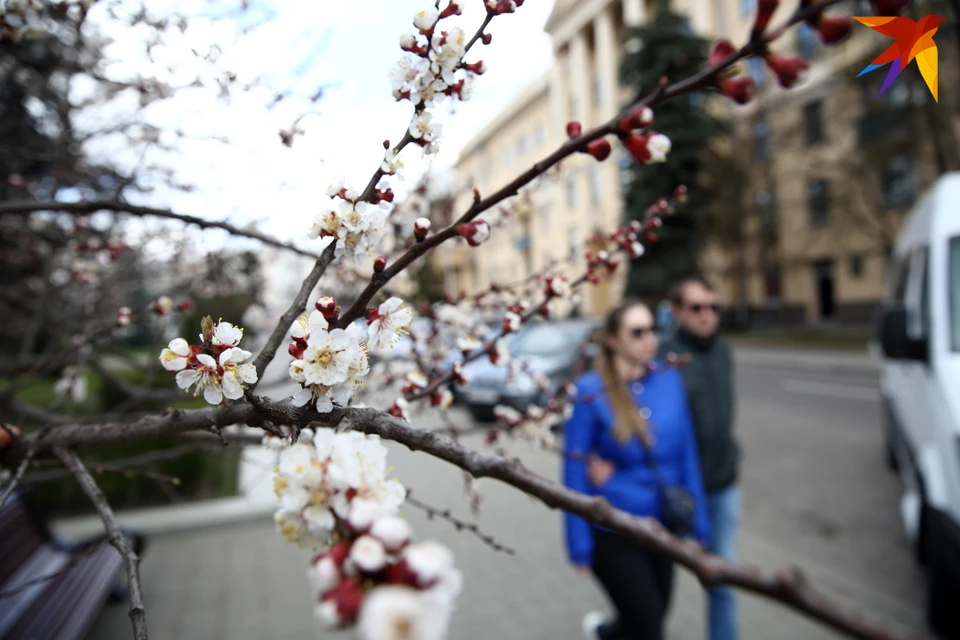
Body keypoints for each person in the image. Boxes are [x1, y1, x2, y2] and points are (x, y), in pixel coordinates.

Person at [563, 299, 711, 640]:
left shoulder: (669, 380)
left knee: (653, 615)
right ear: (613, 339)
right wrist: (578, 543)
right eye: (637, 331)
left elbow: (687, 454)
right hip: (615, 527)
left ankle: (604, 633)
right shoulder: (591, 391)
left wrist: (700, 524)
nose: (649, 339)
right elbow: (573, 470)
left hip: (663, 525)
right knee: (648, 625)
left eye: (652, 330)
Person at [658, 274, 740, 640]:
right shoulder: (663, 358)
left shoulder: (723, 351)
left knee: (722, 582)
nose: (707, 315)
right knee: (658, 584)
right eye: (696, 308)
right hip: (674, 493)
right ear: (676, 312)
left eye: (713, 307)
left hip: (722, 485)